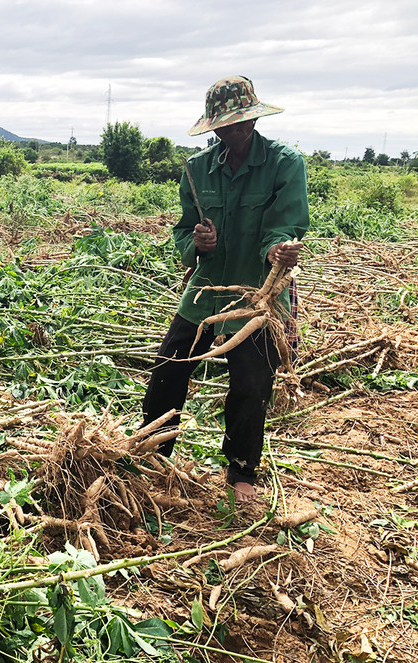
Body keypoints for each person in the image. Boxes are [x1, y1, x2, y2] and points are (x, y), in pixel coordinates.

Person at [140, 76, 309, 503]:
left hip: (259, 293)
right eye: (227, 126)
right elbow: (182, 231)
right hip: (207, 289)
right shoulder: (197, 169)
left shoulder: (284, 164)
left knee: (252, 382)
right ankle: (153, 454)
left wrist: (278, 251)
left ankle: (241, 473)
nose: (236, 132)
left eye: (243, 123)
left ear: (253, 118)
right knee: (169, 367)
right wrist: (195, 243)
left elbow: (284, 225)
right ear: (214, 127)